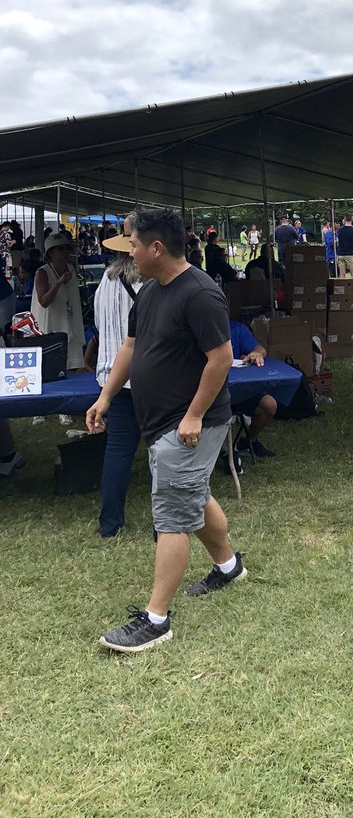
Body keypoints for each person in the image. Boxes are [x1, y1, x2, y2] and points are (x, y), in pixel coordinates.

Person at [86, 207, 244, 653]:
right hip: (159, 421)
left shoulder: (201, 294)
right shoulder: (151, 290)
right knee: (191, 493)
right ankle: (229, 566)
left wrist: (193, 415)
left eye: (133, 244)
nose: (129, 251)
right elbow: (131, 347)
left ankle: (156, 620)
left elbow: (221, 358)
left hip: (191, 423)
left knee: (172, 514)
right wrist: (105, 397)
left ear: (156, 247)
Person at [81, 215, 144, 537]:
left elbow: (99, 326)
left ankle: (110, 523)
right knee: (162, 449)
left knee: (118, 451)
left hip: (110, 377)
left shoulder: (106, 279)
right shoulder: (147, 281)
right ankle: (167, 523)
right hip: (145, 377)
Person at [30, 231, 85, 427]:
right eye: (60, 248)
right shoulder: (42, 272)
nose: (65, 252)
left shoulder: (70, 268)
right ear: (51, 252)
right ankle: (38, 409)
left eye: (66, 248)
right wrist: (60, 282)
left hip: (66, 321)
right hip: (48, 323)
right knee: (45, 368)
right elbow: (44, 301)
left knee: (67, 367)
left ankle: (64, 409)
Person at [228, 319, 277, 462]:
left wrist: (255, 354)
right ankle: (223, 453)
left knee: (269, 404)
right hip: (210, 392)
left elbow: (261, 349)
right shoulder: (197, 329)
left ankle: (249, 442)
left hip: (238, 389)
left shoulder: (236, 328)